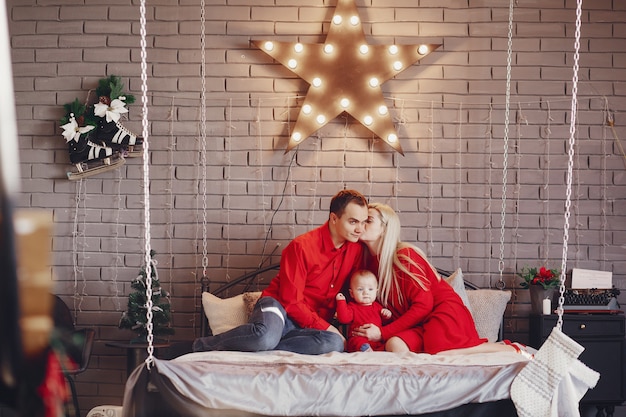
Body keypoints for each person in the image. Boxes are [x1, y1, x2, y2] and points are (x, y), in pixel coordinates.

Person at [192, 189, 369, 355]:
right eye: (353, 222)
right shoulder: (302, 246)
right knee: (265, 337)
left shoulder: (356, 250)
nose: (359, 229)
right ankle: (201, 346)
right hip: (278, 307)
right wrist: (328, 327)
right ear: (334, 218)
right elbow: (291, 302)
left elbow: (356, 292)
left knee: (334, 344)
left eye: (363, 222)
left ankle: (264, 348)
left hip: (306, 325)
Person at [355, 202, 532, 357]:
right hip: (418, 323)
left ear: (385, 229)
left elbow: (423, 306)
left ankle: (503, 349)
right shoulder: (369, 265)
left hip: (442, 313)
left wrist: (383, 332)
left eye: (368, 221)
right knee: (395, 344)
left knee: (438, 351)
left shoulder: (404, 256)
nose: (361, 225)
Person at [335, 269, 391, 352]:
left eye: (370, 289)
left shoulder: (378, 307)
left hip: (376, 340)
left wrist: (387, 315)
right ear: (352, 293)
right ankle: (365, 349)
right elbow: (344, 319)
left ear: (376, 291)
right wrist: (341, 302)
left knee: (387, 342)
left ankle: (375, 352)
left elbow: (385, 323)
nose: (366, 293)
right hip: (359, 338)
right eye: (360, 289)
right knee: (356, 341)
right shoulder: (352, 307)